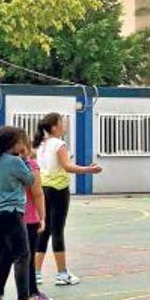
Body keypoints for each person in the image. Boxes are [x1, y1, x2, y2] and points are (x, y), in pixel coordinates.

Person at [0, 126, 45, 300]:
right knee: (22, 255)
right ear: (12, 144)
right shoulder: (15, 161)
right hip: (11, 212)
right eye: (19, 142)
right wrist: (25, 160)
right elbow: (30, 180)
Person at [33, 113, 102, 286]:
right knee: (57, 231)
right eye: (62, 123)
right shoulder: (59, 144)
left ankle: (36, 273)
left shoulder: (41, 144)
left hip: (44, 189)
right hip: (58, 190)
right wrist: (89, 170)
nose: (65, 125)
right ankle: (62, 274)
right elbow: (67, 166)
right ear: (55, 127)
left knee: (45, 230)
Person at [0, 144, 54, 300]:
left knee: (4, 256)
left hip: (4, 214)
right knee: (27, 257)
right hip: (27, 217)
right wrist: (43, 217)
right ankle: (31, 293)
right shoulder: (30, 166)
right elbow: (37, 192)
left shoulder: (0, 164)